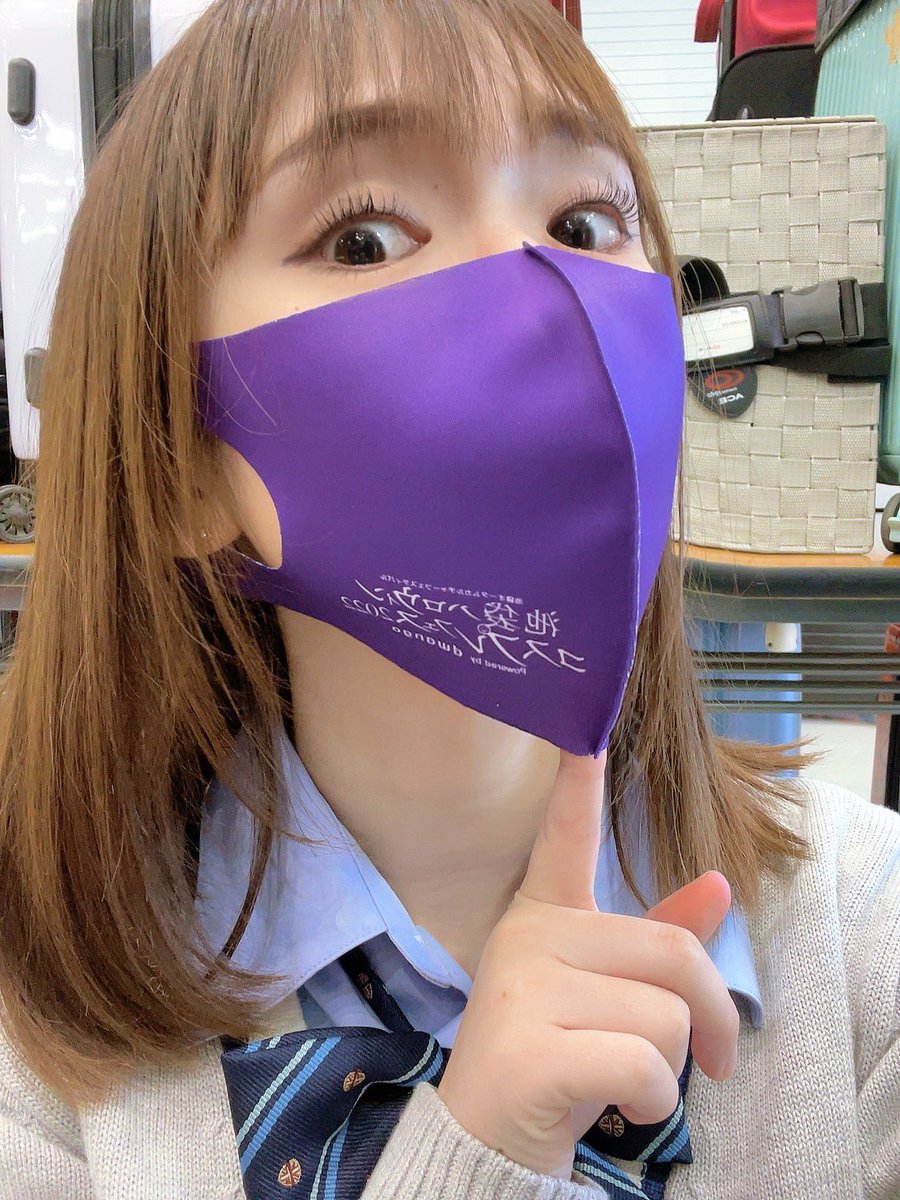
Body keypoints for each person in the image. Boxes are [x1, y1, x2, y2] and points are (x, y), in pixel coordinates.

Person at [0, 2, 896, 1198]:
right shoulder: (36, 1034)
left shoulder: (864, 928)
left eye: (585, 221)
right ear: (181, 460)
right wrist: (478, 1159)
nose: (541, 298)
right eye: (365, 237)